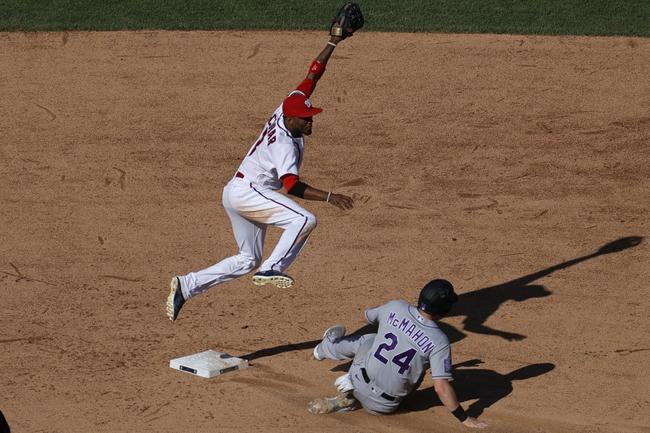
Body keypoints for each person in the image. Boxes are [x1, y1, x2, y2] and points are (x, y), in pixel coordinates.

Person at [166, 29, 357, 322]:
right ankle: (273, 268)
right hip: (248, 193)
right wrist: (329, 197)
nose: (310, 123)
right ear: (291, 119)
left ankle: (187, 285)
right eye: (306, 120)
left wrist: (333, 41)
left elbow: (312, 77)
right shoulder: (284, 147)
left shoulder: (286, 107)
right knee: (305, 219)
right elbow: (291, 187)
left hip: (237, 192)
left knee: (247, 260)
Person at [309, 279, 488, 429]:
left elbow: (367, 317)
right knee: (413, 364)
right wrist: (464, 418)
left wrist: (396, 324)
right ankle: (355, 398)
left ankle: (323, 349)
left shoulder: (397, 306)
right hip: (383, 406)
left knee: (369, 339)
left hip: (357, 378)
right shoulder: (439, 341)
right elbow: (441, 387)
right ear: (445, 310)